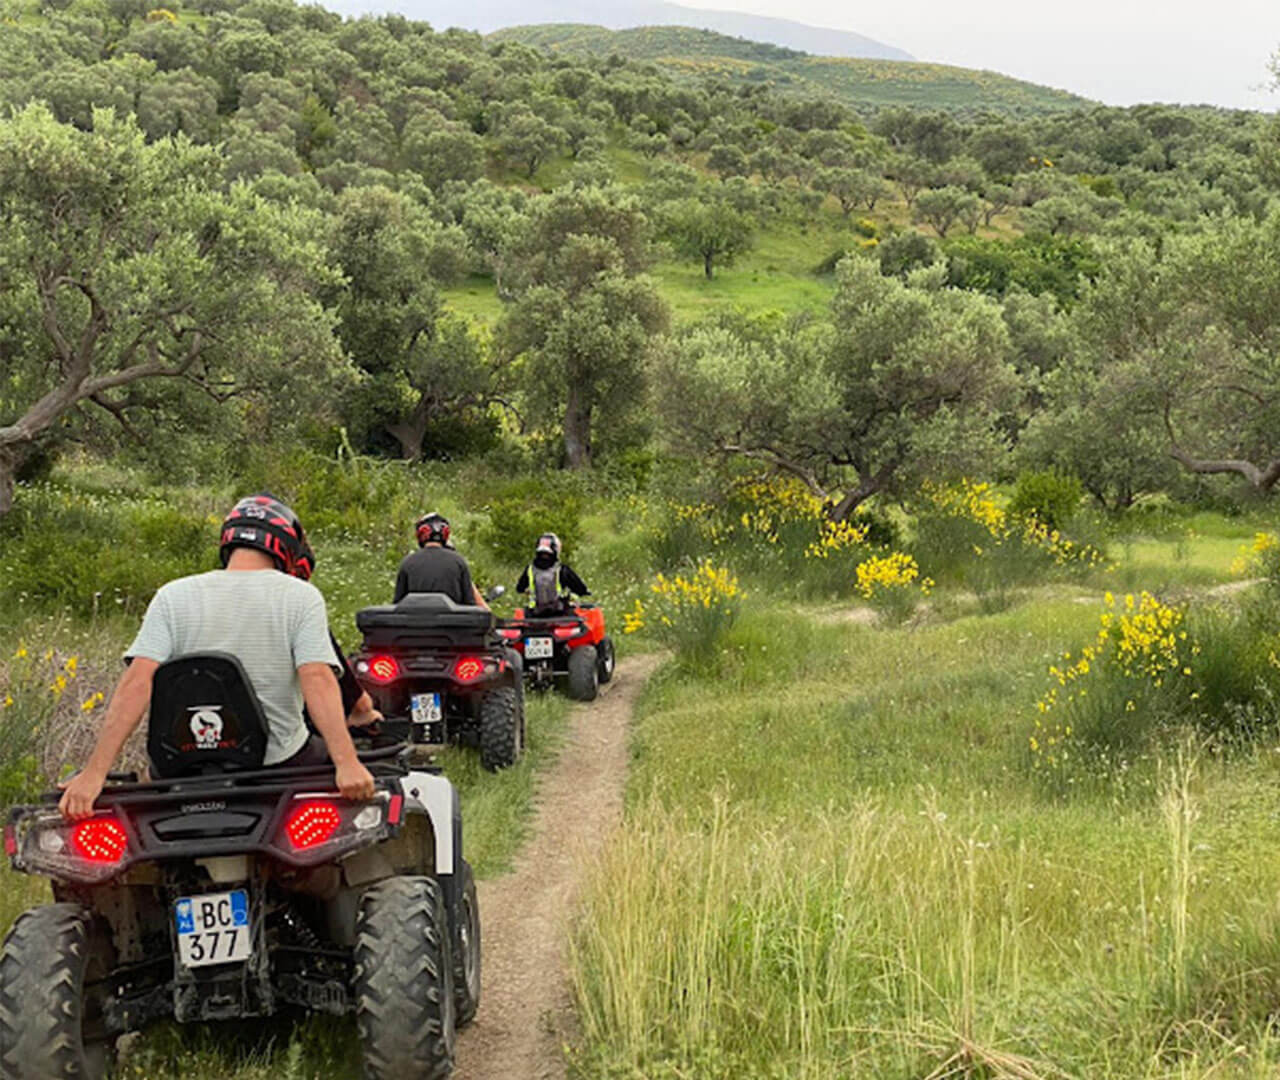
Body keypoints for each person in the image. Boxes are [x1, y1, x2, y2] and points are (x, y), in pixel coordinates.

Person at [59, 494, 376, 820]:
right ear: (287, 548)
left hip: (181, 768)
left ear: (228, 541)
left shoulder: (173, 595)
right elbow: (317, 678)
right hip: (277, 763)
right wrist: (347, 763)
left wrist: (94, 774)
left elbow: (136, 683)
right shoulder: (300, 596)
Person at [394, 512, 489, 609]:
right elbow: (470, 605)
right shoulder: (458, 562)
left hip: (414, 623)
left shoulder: (407, 563)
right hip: (453, 623)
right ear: (445, 534)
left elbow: (397, 606)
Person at [516, 533, 590, 616]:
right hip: (558, 614)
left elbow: (519, 588)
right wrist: (583, 592)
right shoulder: (561, 569)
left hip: (534, 615)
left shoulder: (529, 569)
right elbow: (580, 588)